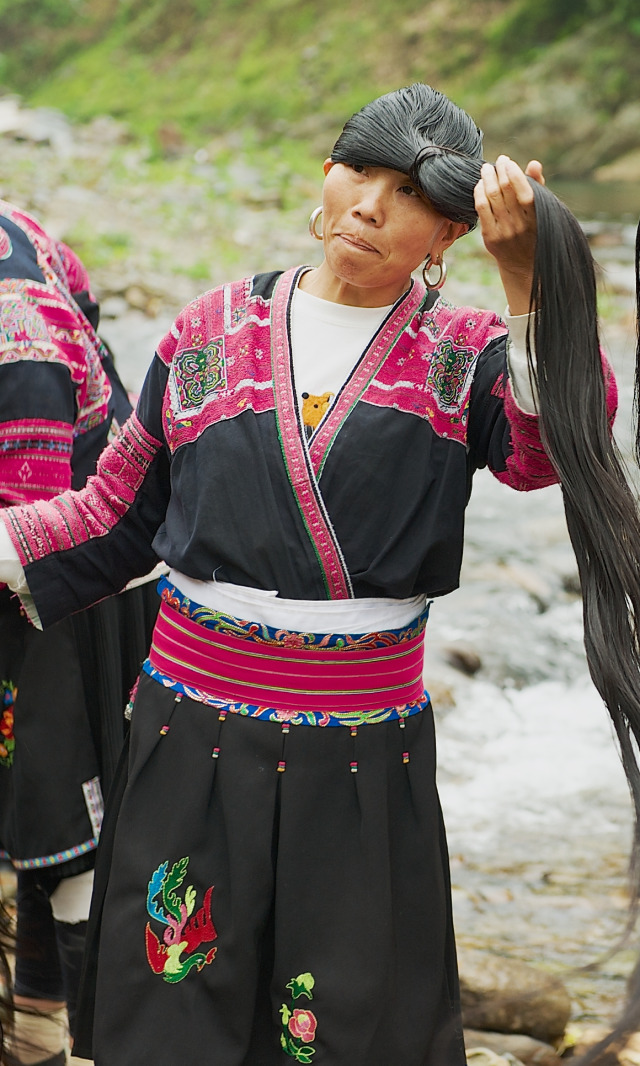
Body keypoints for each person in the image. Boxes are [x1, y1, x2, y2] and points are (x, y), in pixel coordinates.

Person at [0, 83, 635, 1065]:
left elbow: (552, 446)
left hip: (358, 764)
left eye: (407, 192)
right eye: (358, 169)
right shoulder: (206, 330)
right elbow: (113, 517)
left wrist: (528, 284)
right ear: (324, 176)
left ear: (449, 234)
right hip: (189, 746)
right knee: (176, 1017)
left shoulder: (463, 357)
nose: (370, 205)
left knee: (340, 1027)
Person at [0, 201, 159, 1065]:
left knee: (64, 828)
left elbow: (32, 520)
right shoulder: (17, 224)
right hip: (47, 557)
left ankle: (94, 1046)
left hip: (68, 573)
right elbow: (91, 305)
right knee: (37, 820)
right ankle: (31, 1035)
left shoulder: (19, 343)